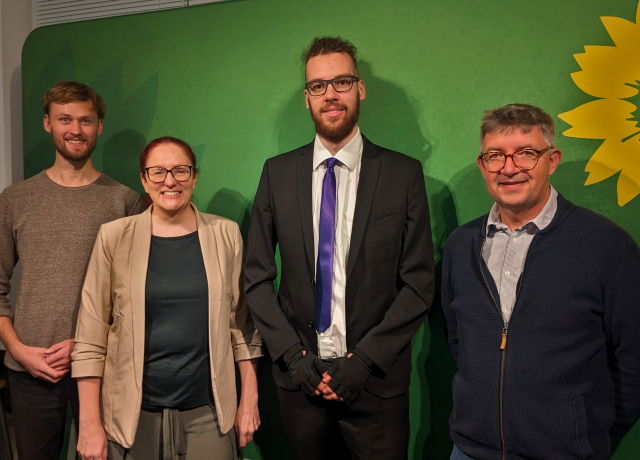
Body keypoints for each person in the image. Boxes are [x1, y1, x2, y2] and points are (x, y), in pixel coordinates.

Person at [244, 37, 434, 460]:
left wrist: (363, 361)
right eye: (318, 86)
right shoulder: (277, 174)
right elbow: (255, 278)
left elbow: (419, 283)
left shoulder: (403, 174)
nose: (330, 94)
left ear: (360, 89)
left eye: (342, 82)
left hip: (376, 385)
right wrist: (295, 359)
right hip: (300, 383)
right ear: (306, 98)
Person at [442, 104, 640, 460]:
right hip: (470, 450)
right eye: (495, 156)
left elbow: (634, 359)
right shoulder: (460, 245)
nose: (509, 167)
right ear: (482, 165)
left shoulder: (608, 246)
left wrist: (588, 439)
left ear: (552, 159)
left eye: (526, 154)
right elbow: (459, 339)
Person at [72, 136, 263, 460]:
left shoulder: (225, 234)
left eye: (180, 171)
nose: (170, 181)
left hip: (209, 414)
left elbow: (241, 328)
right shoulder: (114, 236)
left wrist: (249, 400)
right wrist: (89, 423)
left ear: (195, 176)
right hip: (131, 418)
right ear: (144, 180)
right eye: (158, 172)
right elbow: (90, 338)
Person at [0, 81, 142, 459]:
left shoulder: (126, 201)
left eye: (86, 120)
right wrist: (16, 349)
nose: (76, 130)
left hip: (103, 367)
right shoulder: (15, 199)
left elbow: (134, 295)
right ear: (47, 123)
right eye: (65, 119)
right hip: (31, 368)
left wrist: (88, 345)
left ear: (99, 126)